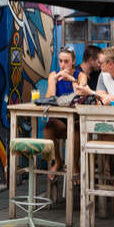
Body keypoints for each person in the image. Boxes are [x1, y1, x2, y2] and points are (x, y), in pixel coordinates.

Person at [43, 47, 80, 180]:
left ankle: (75, 165)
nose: (63, 65)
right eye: (60, 61)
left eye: (66, 61)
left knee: (76, 130)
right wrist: (53, 81)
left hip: (76, 121)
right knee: (48, 129)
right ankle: (57, 160)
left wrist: (71, 79)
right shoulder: (53, 75)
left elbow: (80, 94)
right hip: (60, 121)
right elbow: (49, 98)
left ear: (73, 61)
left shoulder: (80, 76)